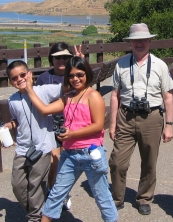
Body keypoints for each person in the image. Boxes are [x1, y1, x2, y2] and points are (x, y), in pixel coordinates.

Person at [26, 56, 118, 222]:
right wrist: (29, 90)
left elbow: (98, 125)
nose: (75, 79)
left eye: (80, 75)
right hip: (70, 154)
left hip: (91, 153)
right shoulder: (68, 97)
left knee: (102, 197)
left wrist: (72, 134)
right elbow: (45, 110)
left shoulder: (93, 96)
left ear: (87, 74)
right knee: (55, 195)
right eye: (71, 75)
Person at [108, 23, 173, 215]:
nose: (139, 43)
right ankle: (117, 197)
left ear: (149, 41)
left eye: (143, 40)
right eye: (135, 40)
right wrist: (112, 123)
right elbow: (115, 95)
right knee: (117, 161)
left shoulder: (160, 65)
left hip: (152, 117)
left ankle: (144, 197)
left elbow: (168, 97)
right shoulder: (121, 65)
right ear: (130, 43)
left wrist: (169, 125)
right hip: (126, 116)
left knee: (149, 161)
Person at [4, 60, 63, 222]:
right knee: (18, 186)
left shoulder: (44, 91)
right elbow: (18, 119)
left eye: (23, 75)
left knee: (35, 186)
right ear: (11, 82)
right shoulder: (12, 100)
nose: (20, 79)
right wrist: (9, 125)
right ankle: (41, 211)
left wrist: (78, 63)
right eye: (15, 78)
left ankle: (35, 218)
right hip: (22, 149)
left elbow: (68, 86)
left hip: (42, 147)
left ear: (30, 74)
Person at [35, 42, 83, 200]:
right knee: (55, 162)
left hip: (72, 123)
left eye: (65, 57)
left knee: (69, 162)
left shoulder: (74, 75)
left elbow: (86, 87)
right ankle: (53, 193)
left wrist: (81, 63)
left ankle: (63, 192)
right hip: (50, 124)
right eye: (58, 57)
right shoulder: (44, 78)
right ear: (51, 59)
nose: (61, 60)